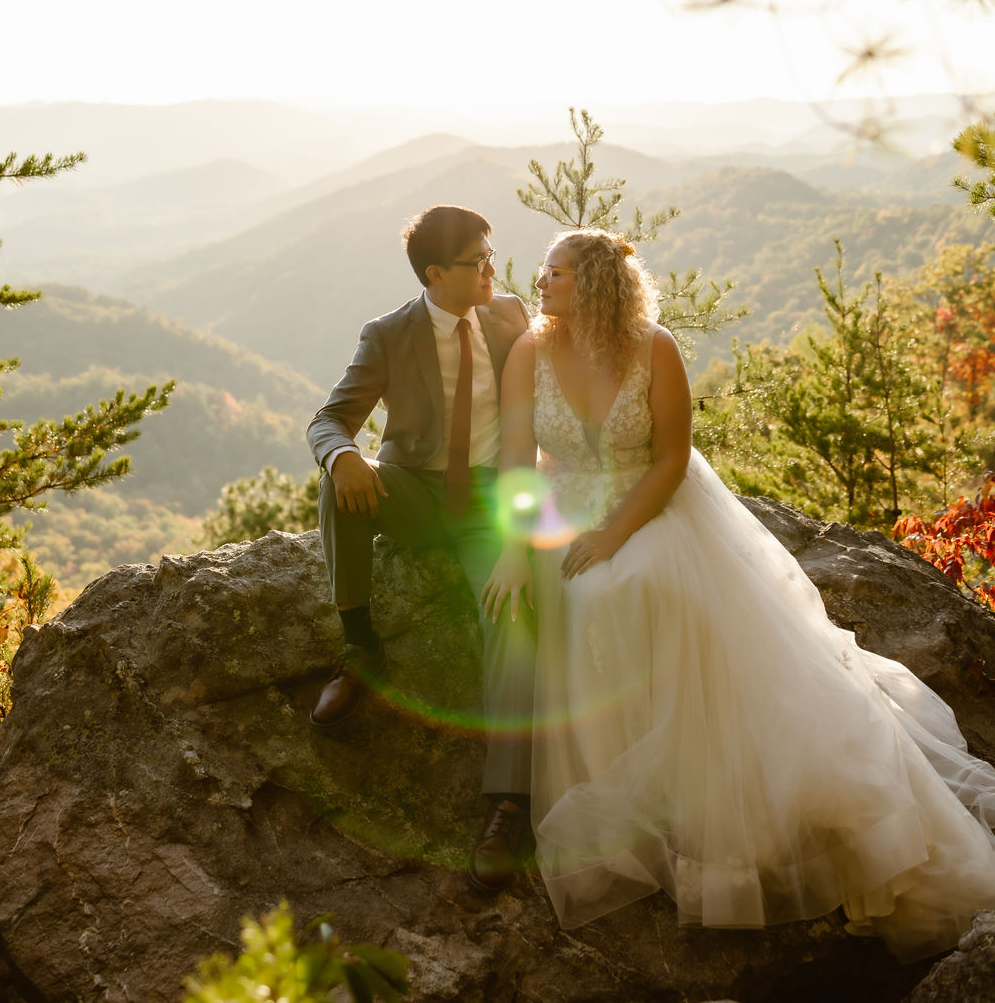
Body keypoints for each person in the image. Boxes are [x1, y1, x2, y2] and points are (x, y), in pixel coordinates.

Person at [483, 227, 995, 961]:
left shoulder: (652, 345)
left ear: (592, 281)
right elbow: (512, 465)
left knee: (638, 583)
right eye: (542, 269)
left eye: (555, 270)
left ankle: (696, 780)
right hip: (565, 505)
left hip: (650, 503)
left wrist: (615, 534)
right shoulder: (530, 350)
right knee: (573, 601)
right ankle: (626, 779)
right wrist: (511, 547)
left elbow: (670, 457)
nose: (540, 279)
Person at [306, 204, 536, 892]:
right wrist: (343, 451)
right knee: (339, 479)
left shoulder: (510, 316)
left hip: (491, 505)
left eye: (492, 254)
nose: (492, 268)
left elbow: (535, 430)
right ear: (436, 274)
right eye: (478, 261)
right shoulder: (388, 334)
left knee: (514, 614)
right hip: (412, 489)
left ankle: (508, 802)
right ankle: (360, 646)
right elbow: (329, 418)